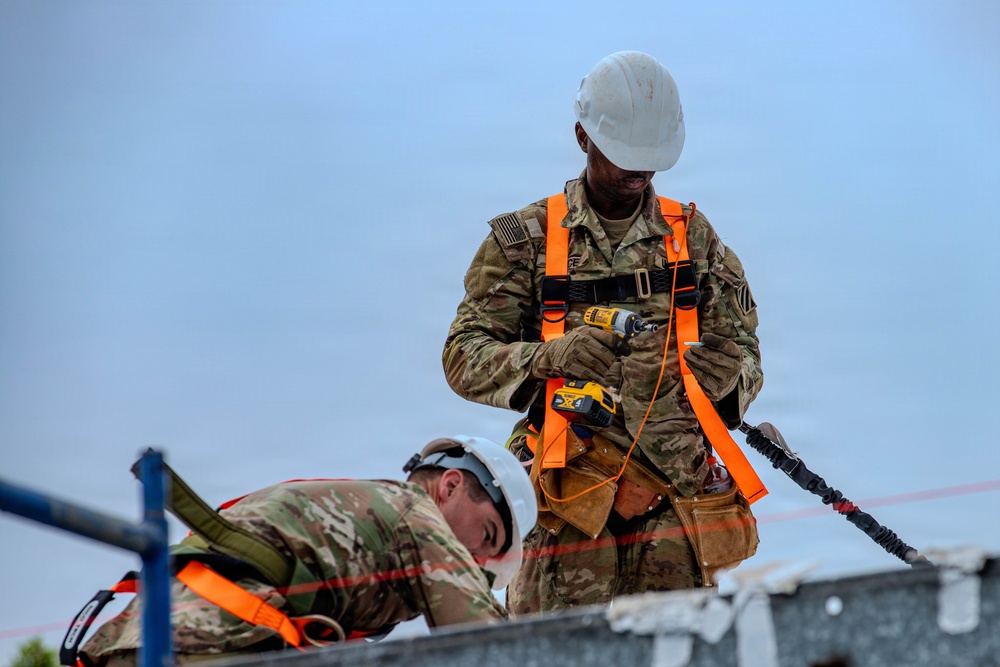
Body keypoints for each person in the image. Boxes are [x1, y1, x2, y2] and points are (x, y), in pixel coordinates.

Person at [443, 51, 763, 615]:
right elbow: (464, 357)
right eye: (624, 158)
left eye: (650, 160)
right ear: (583, 138)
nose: (639, 173)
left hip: (673, 513)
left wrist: (730, 381)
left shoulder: (692, 239)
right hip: (566, 505)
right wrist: (546, 358)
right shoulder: (527, 242)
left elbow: (747, 354)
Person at [73, 436, 537, 666]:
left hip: (136, 640)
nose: (478, 561)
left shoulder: (356, 516)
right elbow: (490, 648)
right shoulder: (413, 512)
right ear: (450, 486)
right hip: (209, 641)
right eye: (489, 537)